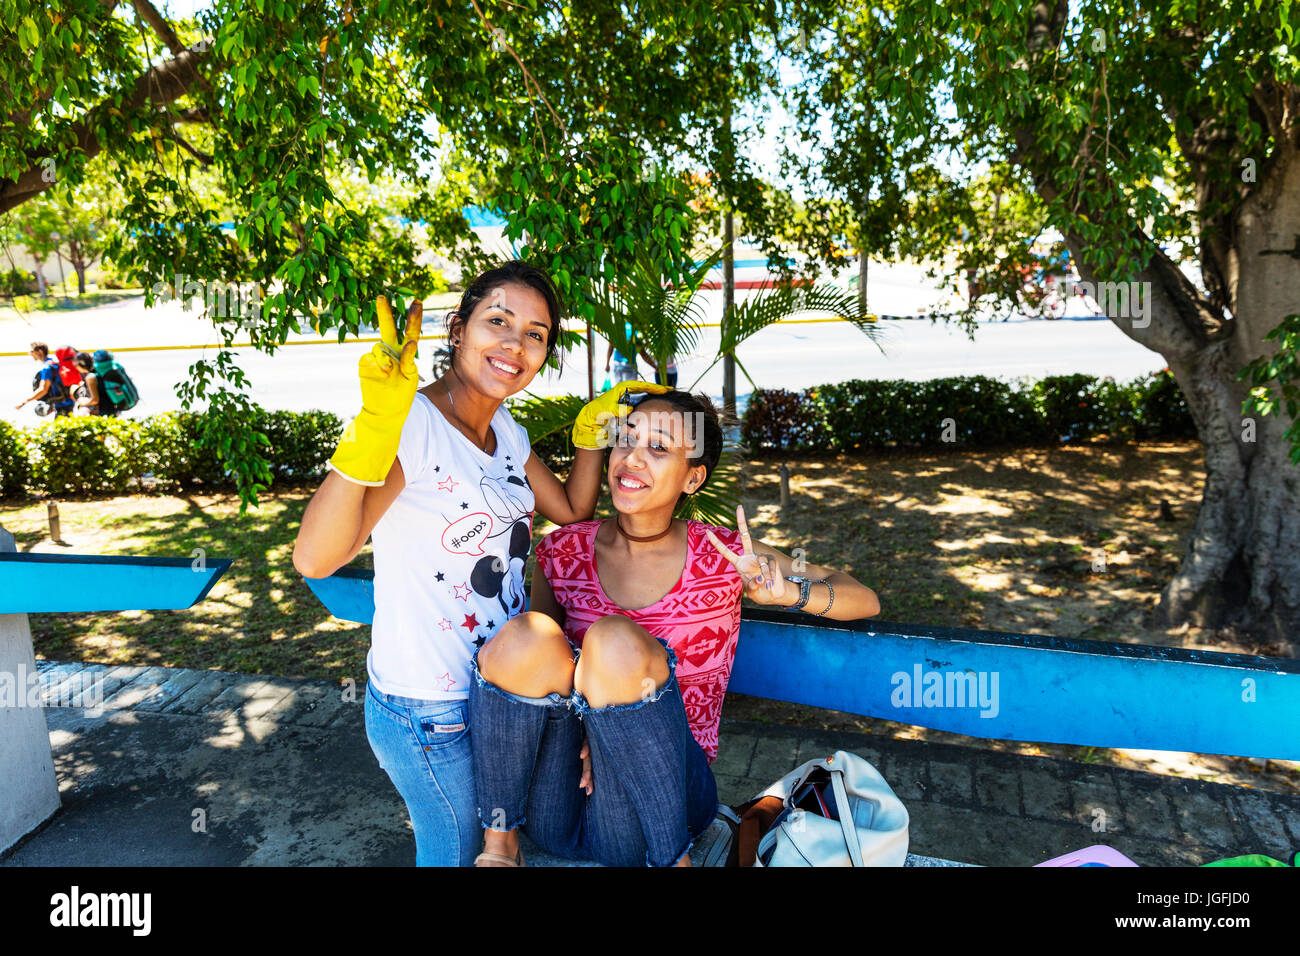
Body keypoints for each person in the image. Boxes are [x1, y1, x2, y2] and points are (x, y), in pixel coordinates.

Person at [292, 260, 667, 867]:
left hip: (504, 696)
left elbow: (571, 510)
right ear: (458, 328)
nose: (516, 345)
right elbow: (316, 557)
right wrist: (373, 430)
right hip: (431, 709)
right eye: (499, 321)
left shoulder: (507, 432)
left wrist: (589, 436)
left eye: (537, 334)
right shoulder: (411, 426)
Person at [469, 389, 881, 867]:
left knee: (613, 638)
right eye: (624, 439)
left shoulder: (725, 555)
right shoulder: (563, 550)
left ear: (693, 477)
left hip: (667, 807)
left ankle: (674, 862)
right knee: (527, 633)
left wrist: (788, 592)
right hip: (559, 803)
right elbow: (540, 676)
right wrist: (591, 729)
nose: (631, 458)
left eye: (659, 448)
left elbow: (862, 597)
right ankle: (499, 846)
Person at [15, 342, 74, 417]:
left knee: (62, 427)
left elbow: (43, 389)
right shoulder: (54, 363)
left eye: (32, 351)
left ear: (40, 351)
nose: (30, 353)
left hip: (61, 405)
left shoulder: (47, 368)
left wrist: (24, 402)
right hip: (67, 402)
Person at [72, 351, 115, 416]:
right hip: (112, 409)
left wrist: (82, 403)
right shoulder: (99, 373)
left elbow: (95, 400)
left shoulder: (90, 377)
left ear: (80, 365)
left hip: (103, 413)